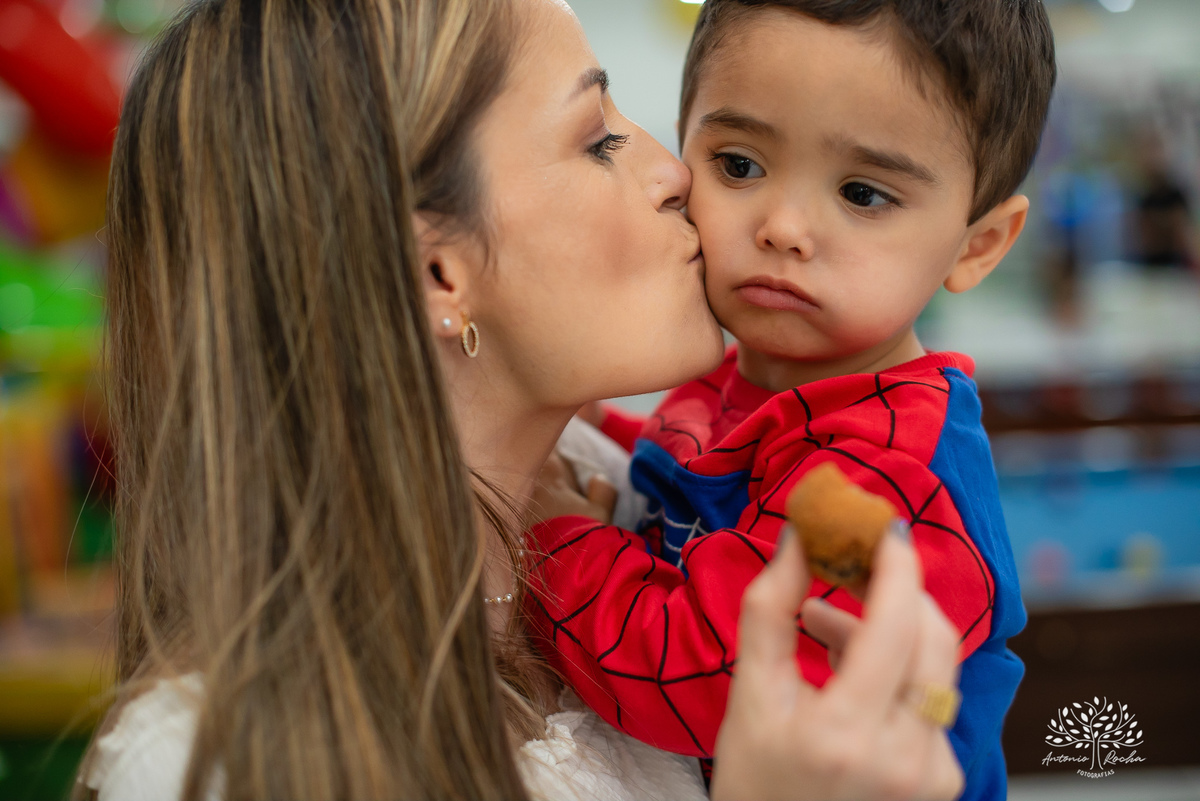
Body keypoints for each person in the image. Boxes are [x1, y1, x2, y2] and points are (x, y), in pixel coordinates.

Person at [75, 0, 964, 798]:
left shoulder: (632, 489)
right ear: (438, 272)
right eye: (599, 138)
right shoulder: (207, 760)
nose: (675, 172)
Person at [523, 1, 1056, 799]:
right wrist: (584, 421)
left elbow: (709, 679)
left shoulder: (888, 475)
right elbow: (700, 471)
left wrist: (558, 537)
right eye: (739, 165)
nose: (783, 227)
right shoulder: (751, 375)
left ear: (977, 244)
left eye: (863, 193)